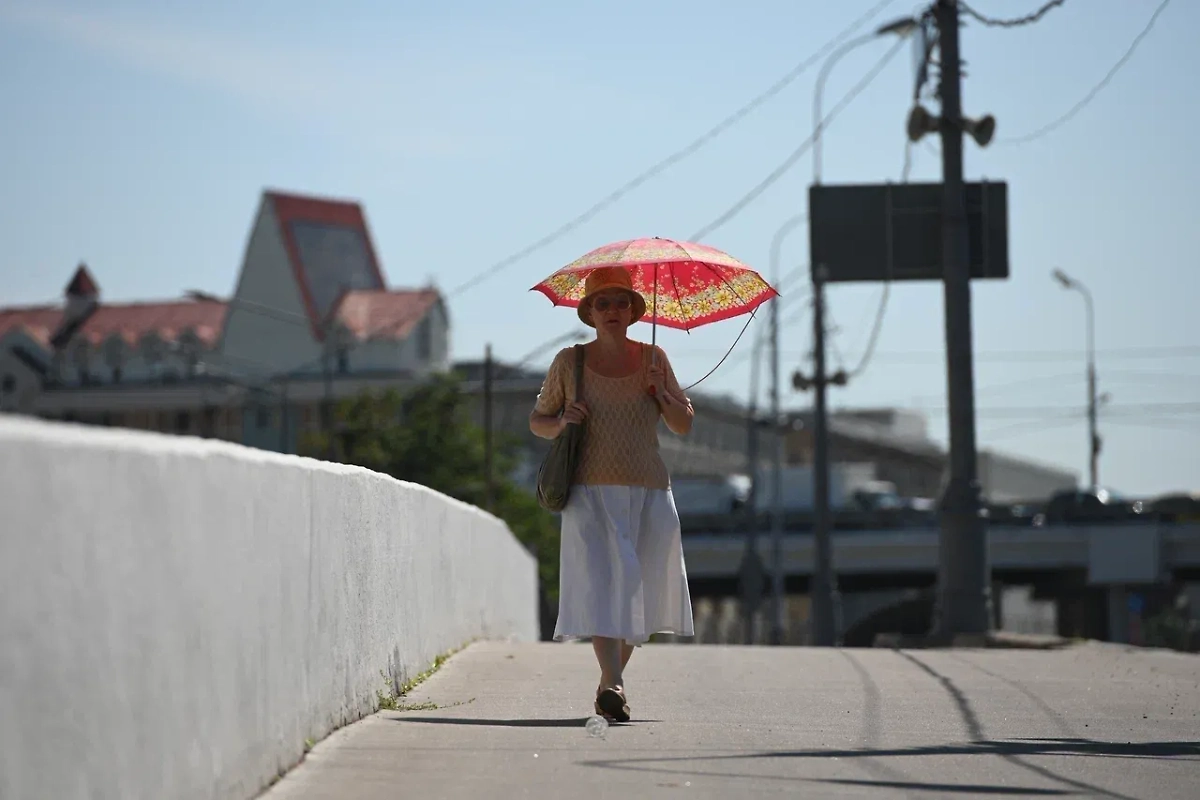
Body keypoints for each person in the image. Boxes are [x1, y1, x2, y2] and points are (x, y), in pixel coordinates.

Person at [529, 266, 695, 723]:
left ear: (634, 310)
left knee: (643, 590)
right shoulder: (571, 362)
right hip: (589, 491)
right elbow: (538, 421)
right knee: (605, 589)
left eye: (621, 302)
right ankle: (615, 683)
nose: (613, 311)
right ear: (589, 312)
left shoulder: (654, 358)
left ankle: (608, 683)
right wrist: (564, 421)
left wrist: (662, 394)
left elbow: (683, 423)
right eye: (603, 303)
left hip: (649, 490)